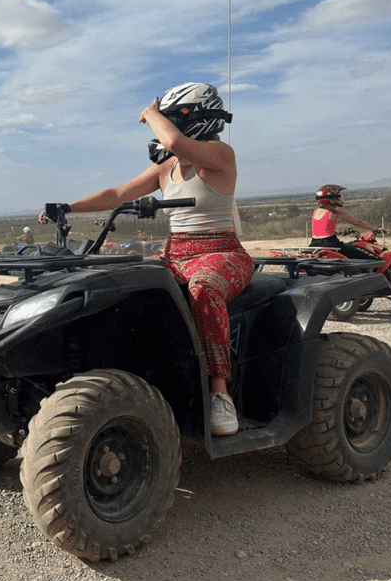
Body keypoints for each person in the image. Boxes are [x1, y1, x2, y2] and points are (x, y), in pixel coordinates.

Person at [39, 82, 253, 435]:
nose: (167, 123)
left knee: (203, 290)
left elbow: (175, 142)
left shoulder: (220, 154)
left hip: (221, 252)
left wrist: (151, 113)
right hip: (176, 253)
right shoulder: (166, 168)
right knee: (126, 281)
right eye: (165, 117)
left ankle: (219, 391)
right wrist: (68, 207)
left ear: (197, 115)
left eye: (174, 116)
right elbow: (117, 194)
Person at [309, 185, 379, 259]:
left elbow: (321, 229)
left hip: (314, 244)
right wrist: (374, 228)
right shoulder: (335, 210)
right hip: (331, 244)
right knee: (366, 258)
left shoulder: (316, 211)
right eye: (337, 197)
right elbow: (357, 222)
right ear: (332, 198)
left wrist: (337, 232)